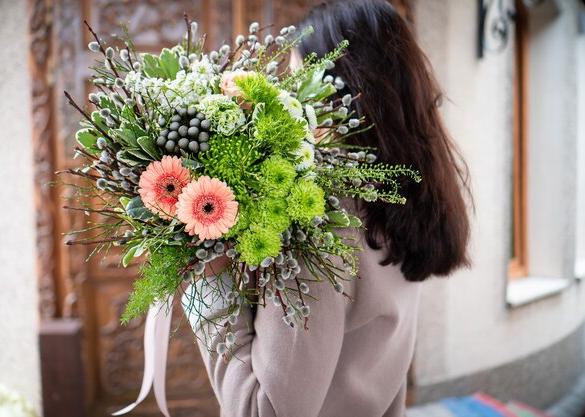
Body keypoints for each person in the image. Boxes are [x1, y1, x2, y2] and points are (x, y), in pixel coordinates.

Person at [184, 1, 471, 416]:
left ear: (345, 98)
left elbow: (263, 411)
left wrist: (202, 282)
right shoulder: (403, 205)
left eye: (301, 86)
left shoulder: (324, 229)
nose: (293, 105)